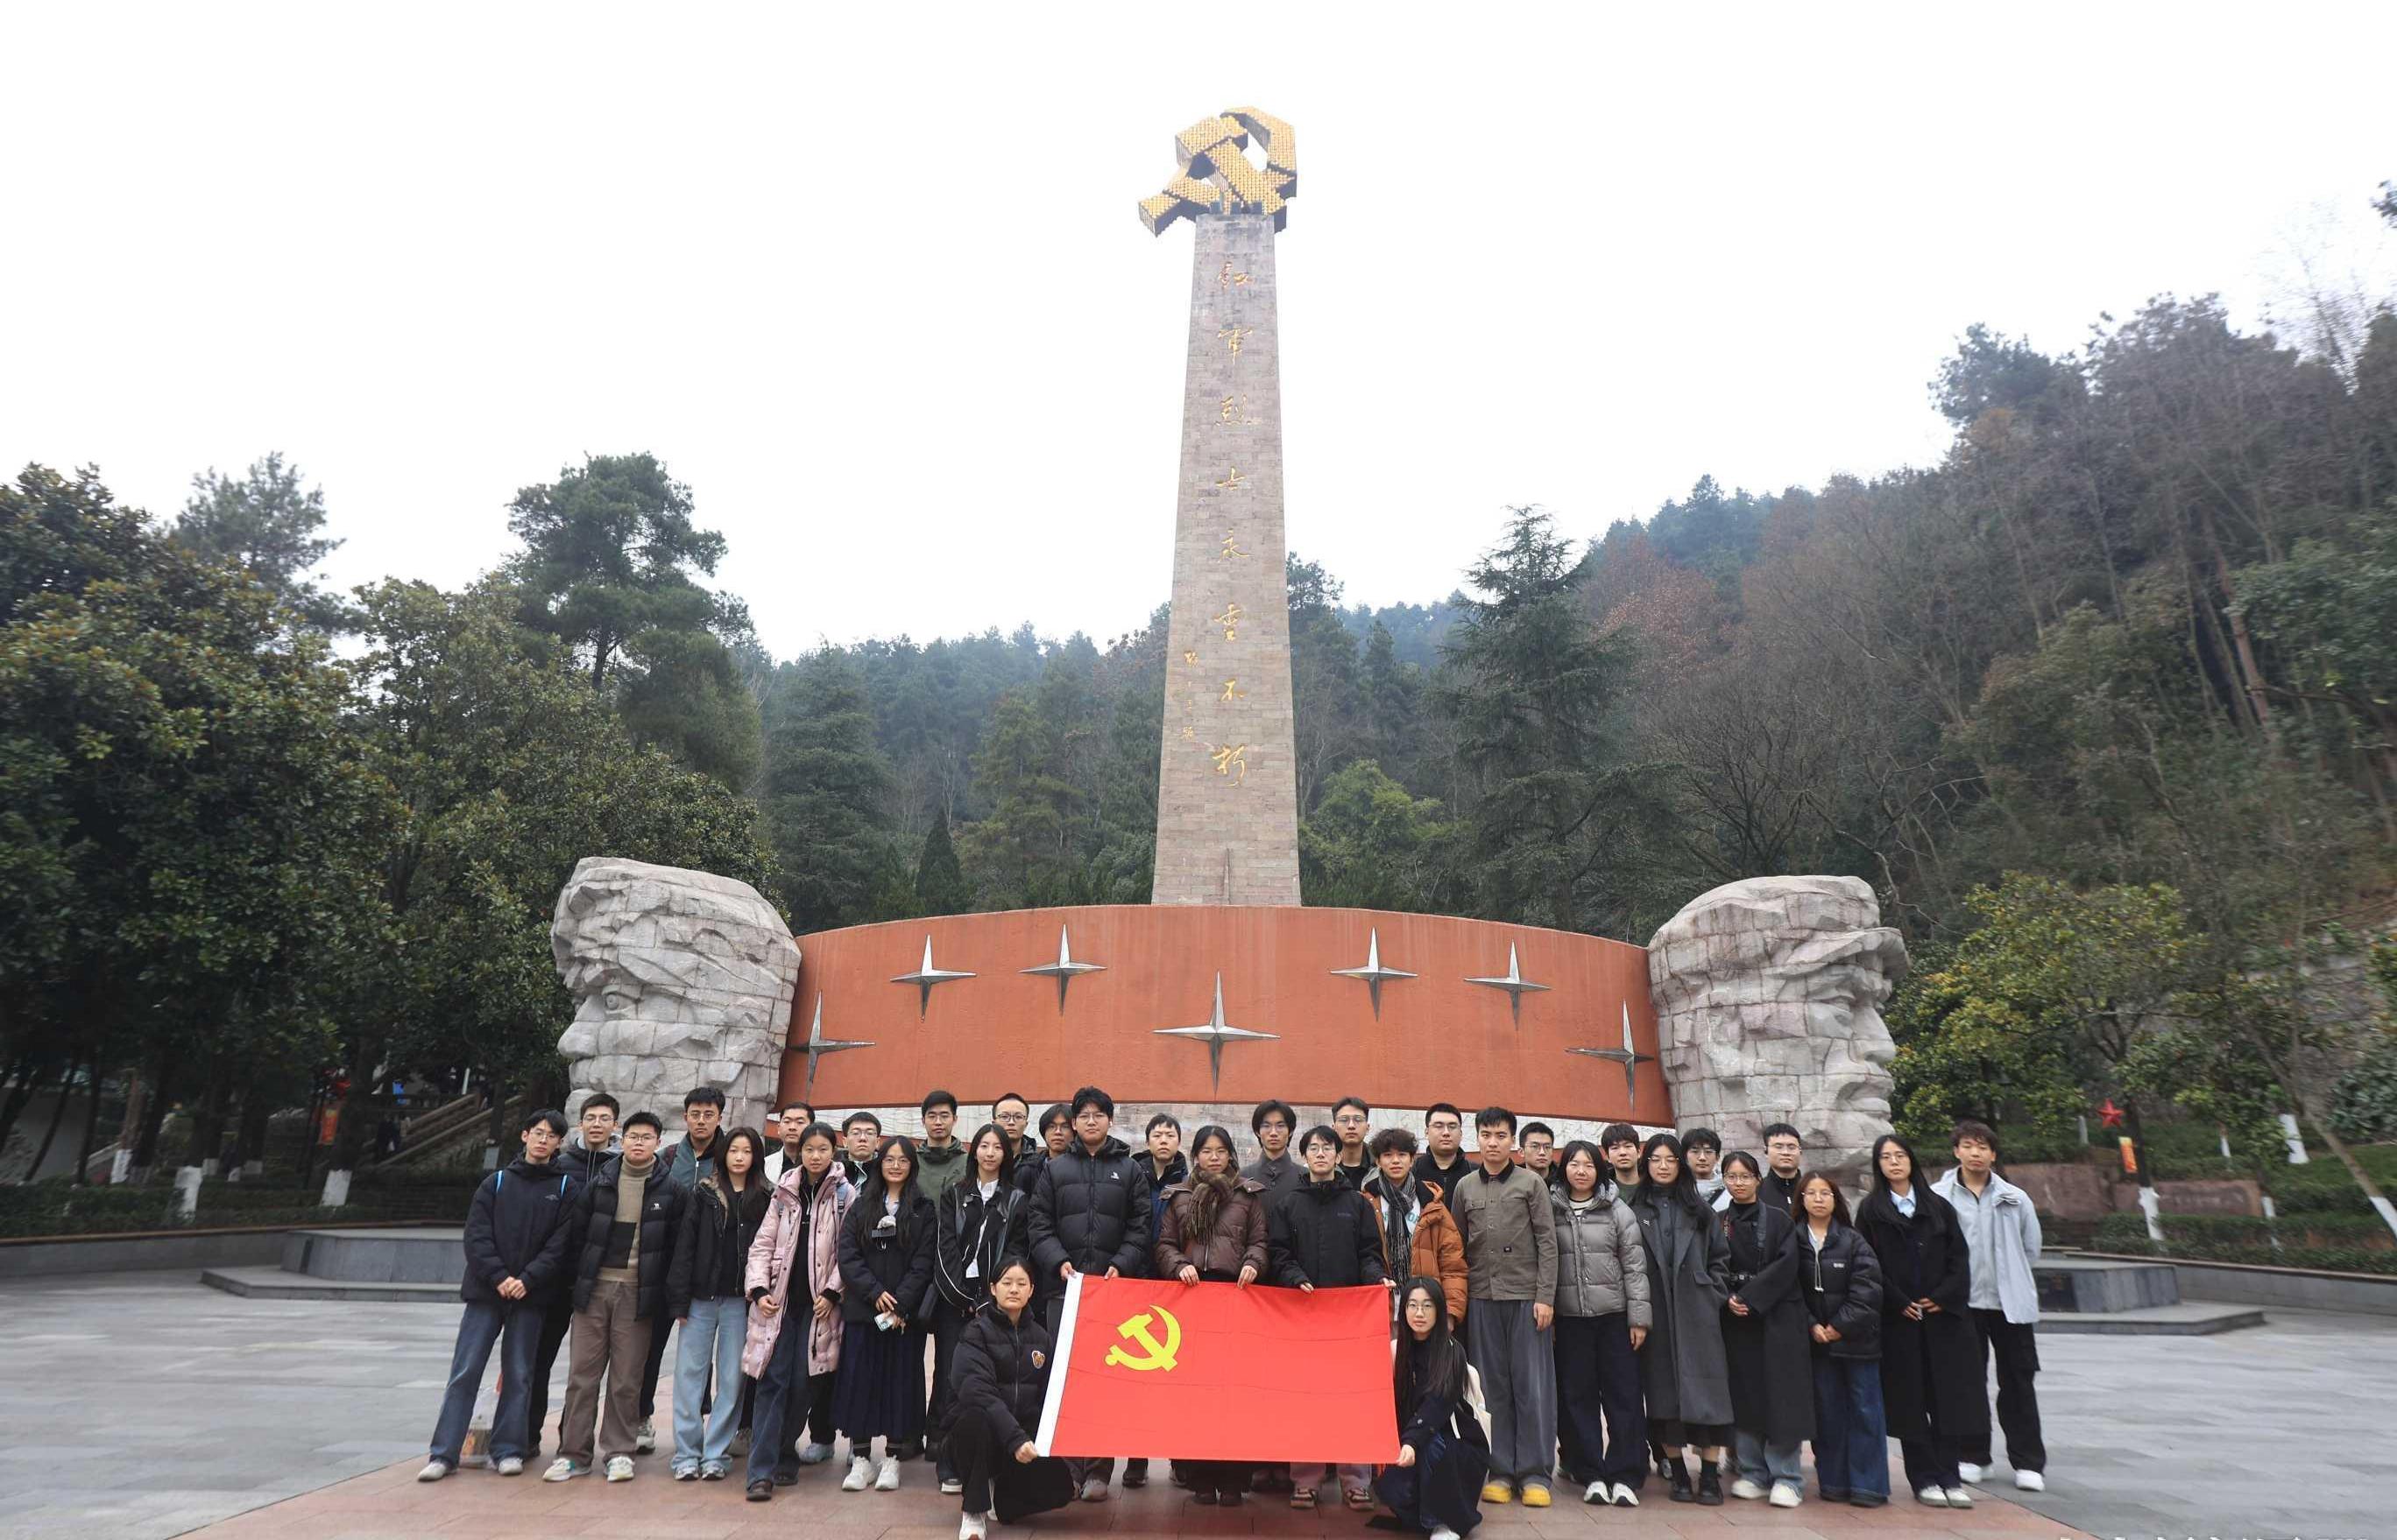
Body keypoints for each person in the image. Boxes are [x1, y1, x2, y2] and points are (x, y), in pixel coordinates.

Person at [420, 1109, 578, 1482]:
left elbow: (561, 1244)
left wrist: (528, 1279)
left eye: (550, 1136)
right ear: (525, 1135)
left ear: (559, 1143)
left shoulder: (564, 1188)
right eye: (537, 1132)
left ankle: (508, 1450)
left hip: (531, 1296)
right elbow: (476, 1236)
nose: (542, 1140)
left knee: (520, 1374)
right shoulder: (497, 1182)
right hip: (486, 1294)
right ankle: (444, 1453)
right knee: (465, 1372)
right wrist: (500, 1277)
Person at [545, 1110, 688, 1483]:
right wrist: (577, 1285)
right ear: (622, 1140)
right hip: (594, 1291)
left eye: (646, 1138)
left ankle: (619, 1451)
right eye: (633, 1137)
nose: (638, 1143)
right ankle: (573, 1453)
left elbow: (676, 1249)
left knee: (626, 1378)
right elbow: (577, 1238)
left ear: (658, 1143)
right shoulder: (600, 1183)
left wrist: (668, 1299)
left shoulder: (672, 1191)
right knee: (582, 1376)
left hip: (638, 1295)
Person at [1028, 1085, 1152, 1502]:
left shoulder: (1130, 1170)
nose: (1092, 1121)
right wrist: (1057, 1261)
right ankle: (1067, 1471)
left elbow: (1141, 1225)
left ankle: (1099, 1470)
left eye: (1099, 1114)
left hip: (1112, 1292)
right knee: (1064, 1379)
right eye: (1085, 1115)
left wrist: (1123, 1263)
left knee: (1104, 1382)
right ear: (1075, 1123)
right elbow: (1039, 1223)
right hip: (1064, 1290)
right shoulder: (1055, 1170)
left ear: (1110, 1121)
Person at [1855, 1133, 1985, 1510]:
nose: (1894, 1162)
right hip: (1901, 1323)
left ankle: (1951, 1476)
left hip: (1943, 1323)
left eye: (1900, 1155)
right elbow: (1868, 1265)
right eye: (1886, 1157)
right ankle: (1924, 1478)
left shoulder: (1938, 1207)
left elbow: (1959, 1259)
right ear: (1878, 1165)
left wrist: (1943, 1297)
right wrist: (1897, 1301)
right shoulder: (1872, 1211)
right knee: (1911, 1403)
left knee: (1949, 1400)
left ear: (1911, 1159)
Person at [1269, 1124, 1386, 1511]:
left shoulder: (1357, 1204)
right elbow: (1278, 1253)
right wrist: (1295, 1277)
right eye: (1313, 1148)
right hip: (1302, 1315)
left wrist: (1376, 1279)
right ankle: (1306, 1480)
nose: (1320, 1154)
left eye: (1327, 1148)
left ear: (1338, 1155)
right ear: (1304, 1156)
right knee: (1306, 1398)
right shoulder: (1289, 1204)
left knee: (1352, 1398)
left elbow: (1369, 1253)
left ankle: (1356, 1481)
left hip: (1349, 1318)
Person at [1448, 1106, 1558, 1508]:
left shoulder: (1532, 1183)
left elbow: (1548, 1243)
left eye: (1500, 1136)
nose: (1493, 1143)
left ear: (1513, 1141)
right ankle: (1500, 1471)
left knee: (1531, 1387)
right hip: (1482, 1298)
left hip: (1527, 1299)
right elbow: (1457, 1247)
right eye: (1486, 1135)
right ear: (1477, 1138)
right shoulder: (1464, 1188)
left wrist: (1545, 1296)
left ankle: (1535, 1473)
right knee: (1491, 1388)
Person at [741, 1120, 856, 1501]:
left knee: (803, 1384)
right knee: (771, 1381)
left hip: (819, 1308)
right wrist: (759, 1289)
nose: (816, 1156)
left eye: (823, 1149)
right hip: (779, 1303)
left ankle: (784, 1453)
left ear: (833, 1152)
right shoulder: (784, 1191)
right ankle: (761, 1472)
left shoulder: (845, 1195)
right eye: (810, 1149)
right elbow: (762, 1244)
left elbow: (848, 1252)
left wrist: (833, 1291)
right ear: (801, 1152)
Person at [1156, 1123, 1268, 1506]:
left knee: (1234, 1393)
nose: (1214, 1157)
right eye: (1207, 1151)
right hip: (1192, 1300)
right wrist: (1178, 1265)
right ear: (1195, 1156)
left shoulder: (1248, 1196)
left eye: (1221, 1151)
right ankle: (1200, 1477)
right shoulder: (1179, 1196)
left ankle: (1234, 1480)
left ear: (1230, 1155)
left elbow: (1260, 1242)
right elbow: (1165, 1244)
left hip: (1236, 1299)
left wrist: (1253, 1263)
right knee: (1195, 1393)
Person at [1933, 1120, 2047, 1492]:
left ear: (1993, 1154)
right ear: (1956, 1151)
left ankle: (2028, 1462)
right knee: (1968, 1382)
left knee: (2018, 1381)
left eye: (1983, 1147)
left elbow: (2031, 1248)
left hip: (2010, 1304)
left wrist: (2011, 1277)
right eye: (1968, 1146)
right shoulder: (1939, 1196)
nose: (1975, 1153)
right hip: (1962, 1304)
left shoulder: (2014, 1197)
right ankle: (1974, 1456)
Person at [1628, 1132, 1731, 1506]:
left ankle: (1710, 1476)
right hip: (1656, 1313)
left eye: (1670, 1159)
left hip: (1698, 1314)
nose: (1663, 1166)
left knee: (1710, 1393)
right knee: (1663, 1395)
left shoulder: (1700, 1210)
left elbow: (1721, 1259)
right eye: (1656, 1160)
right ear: (1646, 1165)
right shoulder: (1634, 1211)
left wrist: (1711, 1293)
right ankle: (1679, 1473)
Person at [833, 1135, 938, 1493]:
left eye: (903, 1160)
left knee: (899, 1383)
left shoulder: (923, 1209)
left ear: (912, 1166)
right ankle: (862, 1459)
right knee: (859, 1381)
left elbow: (924, 1261)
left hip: (903, 1317)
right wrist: (875, 1292)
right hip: (865, 1311)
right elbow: (848, 1255)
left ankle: (893, 1458)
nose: (896, 1165)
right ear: (880, 1164)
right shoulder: (862, 1204)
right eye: (890, 1159)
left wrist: (900, 1303)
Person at [665, 1125, 768, 1480]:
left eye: (747, 1151)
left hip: (741, 1301)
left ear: (756, 1157)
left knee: (732, 1378)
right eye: (734, 1150)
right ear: (724, 1154)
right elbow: (685, 1247)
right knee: (689, 1375)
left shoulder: (765, 1196)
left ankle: (715, 1454)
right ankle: (686, 1454)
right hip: (701, 1298)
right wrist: (679, 1300)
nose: (739, 1157)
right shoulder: (705, 1192)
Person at [1548, 1139, 1648, 1508]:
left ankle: (1625, 1474)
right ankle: (1590, 1472)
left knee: (1624, 1396)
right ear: (1564, 1169)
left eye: (1588, 1165)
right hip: (1570, 1320)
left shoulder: (1617, 1209)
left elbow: (1634, 1267)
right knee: (1578, 1398)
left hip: (1614, 1318)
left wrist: (1639, 1318)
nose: (1581, 1171)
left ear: (1599, 1169)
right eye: (1574, 1164)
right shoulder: (1551, 1209)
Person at [946, 1260, 1078, 1540]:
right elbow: (978, 1392)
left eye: (1021, 1284)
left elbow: (1050, 1396)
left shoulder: (1042, 1338)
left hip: (1020, 1437)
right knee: (974, 1419)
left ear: (1032, 1290)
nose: (1014, 1290)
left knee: (1062, 1488)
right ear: (993, 1289)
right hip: (982, 1436)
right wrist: (1015, 1438)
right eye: (1007, 1283)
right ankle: (974, 1511)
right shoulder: (975, 1333)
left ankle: (1002, 1499)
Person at [932, 1122, 1030, 1494]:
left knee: (989, 1382)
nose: (990, 1153)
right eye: (984, 1146)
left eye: (997, 1147)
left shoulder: (1016, 1200)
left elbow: (1016, 1252)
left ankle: (987, 1460)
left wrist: (992, 1300)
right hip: (955, 1301)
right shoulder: (954, 1195)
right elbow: (945, 1248)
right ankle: (948, 1461)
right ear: (974, 1152)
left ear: (1006, 1154)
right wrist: (963, 1298)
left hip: (995, 1303)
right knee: (949, 1379)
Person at [1717, 1151, 1813, 1508]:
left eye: (1745, 1176)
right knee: (1745, 1395)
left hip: (1776, 1317)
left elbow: (1788, 1264)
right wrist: (1728, 1298)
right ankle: (1753, 1472)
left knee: (1781, 1397)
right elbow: (1711, 1266)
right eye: (1732, 1176)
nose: (1738, 1183)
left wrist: (1751, 1297)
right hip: (1735, 1320)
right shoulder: (1718, 1221)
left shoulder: (1779, 1219)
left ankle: (1788, 1477)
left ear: (1758, 1179)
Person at [527, 1095, 618, 1463]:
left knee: (588, 1368)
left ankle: (573, 1440)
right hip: (554, 1280)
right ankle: (527, 1435)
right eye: (590, 1117)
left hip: (597, 1280)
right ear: (580, 1123)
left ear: (615, 1125)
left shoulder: (622, 1167)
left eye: (604, 1118)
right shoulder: (560, 1165)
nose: (597, 1124)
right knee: (539, 1360)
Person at [637, 1086, 726, 1452]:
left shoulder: (730, 1156)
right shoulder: (668, 1157)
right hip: (663, 1266)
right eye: (695, 1114)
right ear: (685, 1116)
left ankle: (702, 1421)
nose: (701, 1121)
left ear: (719, 1117)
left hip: (709, 1270)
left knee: (703, 1353)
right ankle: (641, 1416)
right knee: (649, 1347)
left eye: (709, 1114)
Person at [1796, 1171, 1888, 1508]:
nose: (1819, 1199)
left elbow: (1868, 1289)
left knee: (1865, 1413)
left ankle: (1869, 1486)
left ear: (1836, 1200)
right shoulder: (1792, 1241)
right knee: (1828, 1414)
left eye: (1826, 1193)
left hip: (1857, 1343)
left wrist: (1838, 1325)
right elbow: (1789, 1291)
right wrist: (1811, 1325)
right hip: (1816, 1344)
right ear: (1802, 1199)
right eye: (1812, 1193)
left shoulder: (1853, 1240)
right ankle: (1833, 1481)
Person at [1375, 1275, 1492, 1540]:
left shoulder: (1452, 1352)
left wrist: (1411, 1442)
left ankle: (1443, 1522)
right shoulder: (1398, 1350)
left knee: (1431, 1446)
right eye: (1413, 1305)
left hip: (1455, 1442)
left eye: (1427, 1306)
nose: (1419, 1313)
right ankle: (1423, 1514)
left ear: (1439, 1311)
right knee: (1393, 1491)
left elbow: (1436, 1407)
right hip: (1414, 1437)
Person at [1361, 1127, 1467, 1328]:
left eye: (1402, 1155)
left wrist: (1451, 1312)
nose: (1395, 1161)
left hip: (1425, 1308)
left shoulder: (1432, 1204)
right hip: (1381, 1308)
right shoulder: (1366, 1203)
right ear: (1378, 1161)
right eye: (1388, 1155)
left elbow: (1452, 1264)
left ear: (1411, 1160)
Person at [1241, 1098, 1304, 1206]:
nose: (1273, 1133)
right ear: (1257, 1132)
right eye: (1266, 1126)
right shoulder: (1243, 1177)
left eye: (1280, 1126)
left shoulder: (1305, 1177)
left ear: (1290, 1131)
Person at [917, 1090, 969, 1204]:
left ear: (954, 1119)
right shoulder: (912, 1162)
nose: (938, 1122)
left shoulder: (969, 1163)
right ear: (923, 1121)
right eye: (932, 1116)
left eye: (944, 1116)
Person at [1414, 1104, 1474, 1193]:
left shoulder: (1475, 1173)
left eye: (1452, 1127)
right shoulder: (1412, 1172)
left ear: (1461, 1134)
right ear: (1427, 1133)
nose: (1446, 1133)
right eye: (1438, 1126)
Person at [1014, 1103, 1071, 1196]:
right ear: (1044, 1132)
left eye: (1065, 1126)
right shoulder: (1027, 1169)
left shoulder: (1085, 1167)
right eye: (1052, 1126)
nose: (1058, 1132)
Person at [761, 1099, 815, 1183]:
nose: (792, 1127)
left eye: (800, 1122)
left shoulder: (821, 1165)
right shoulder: (765, 1165)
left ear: (812, 1128)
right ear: (778, 1128)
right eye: (787, 1122)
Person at [1757, 1124, 1805, 1214]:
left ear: (1800, 1151)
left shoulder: (1811, 1190)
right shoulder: (1756, 1192)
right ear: (1766, 1151)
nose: (1785, 1152)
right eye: (1778, 1147)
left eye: (1791, 1147)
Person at [1330, 1096, 1373, 1189]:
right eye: (1344, 1120)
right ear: (1334, 1128)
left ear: (1367, 1128)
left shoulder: (1381, 1166)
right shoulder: (1319, 1165)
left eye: (1358, 1119)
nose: (1351, 1126)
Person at [1598, 1123, 1643, 1205]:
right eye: (1615, 1148)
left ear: (1638, 1152)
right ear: (1607, 1157)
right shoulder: (1601, 1191)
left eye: (1628, 1146)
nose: (1622, 1153)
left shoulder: (1654, 1186)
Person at [840, 1112, 884, 1189]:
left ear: (877, 1142)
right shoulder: (833, 1170)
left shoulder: (885, 1171)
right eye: (856, 1133)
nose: (862, 1138)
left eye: (869, 1133)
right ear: (845, 1141)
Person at [1683, 1128, 1724, 1207]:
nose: (1702, 1158)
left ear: (1717, 1157)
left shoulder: (1730, 1190)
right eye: (1695, 1152)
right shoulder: (1676, 1192)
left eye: (1708, 1152)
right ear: (1685, 1157)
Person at [991, 1093, 1032, 1168]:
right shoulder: (982, 1159)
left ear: (1026, 1124)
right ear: (994, 1123)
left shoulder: (1038, 1163)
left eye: (1018, 1117)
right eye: (1004, 1116)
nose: (1011, 1122)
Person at [1518, 1122, 1558, 1190]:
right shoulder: (1512, 1180)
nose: (1542, 1152)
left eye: (1547, 1147)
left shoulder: (1563, 1180)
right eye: (1535, 1146)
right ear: (1521, 1152)